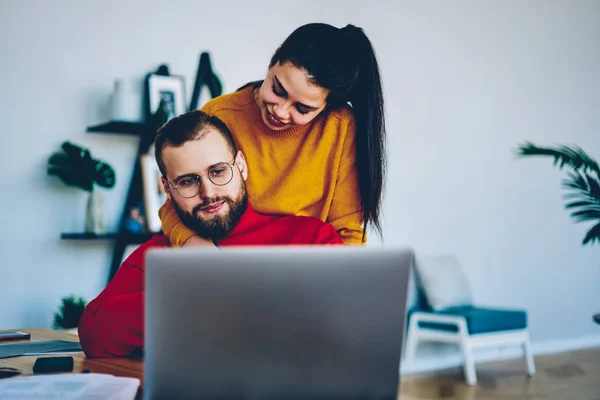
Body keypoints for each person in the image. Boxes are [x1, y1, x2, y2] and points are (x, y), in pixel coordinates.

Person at [78, 110, 343, 357]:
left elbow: (346, 323)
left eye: (218, 172)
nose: (208, 193)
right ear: (167, 189)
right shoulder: (160, 252)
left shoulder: (311, 238)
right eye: (187, 181)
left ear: (241, 166)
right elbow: (93, 332)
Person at [159, 22, 386, 247]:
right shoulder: (219, 114)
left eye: (303, 109)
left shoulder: (341, 128)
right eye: (277, 90)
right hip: (228, 258)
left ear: (327, 107)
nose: (280, 111)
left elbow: (348, 232)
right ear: (271, 63)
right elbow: (179, 194)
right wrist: (192, 242)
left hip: (306, 264)